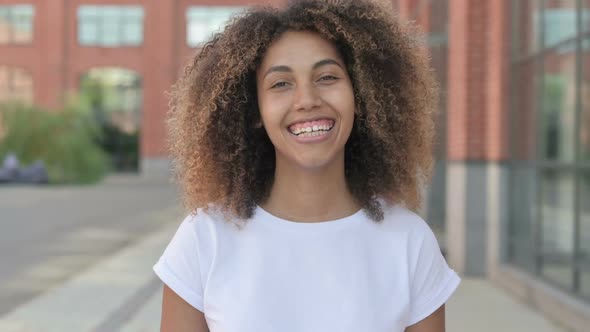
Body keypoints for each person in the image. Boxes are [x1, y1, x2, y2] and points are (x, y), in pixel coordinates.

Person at [153, 0, 460, 331]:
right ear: (254, 111)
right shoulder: (205, 239)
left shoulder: (409, 242)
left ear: (362, 95)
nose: (307, 100)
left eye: (327, 77)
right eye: (281, 83)